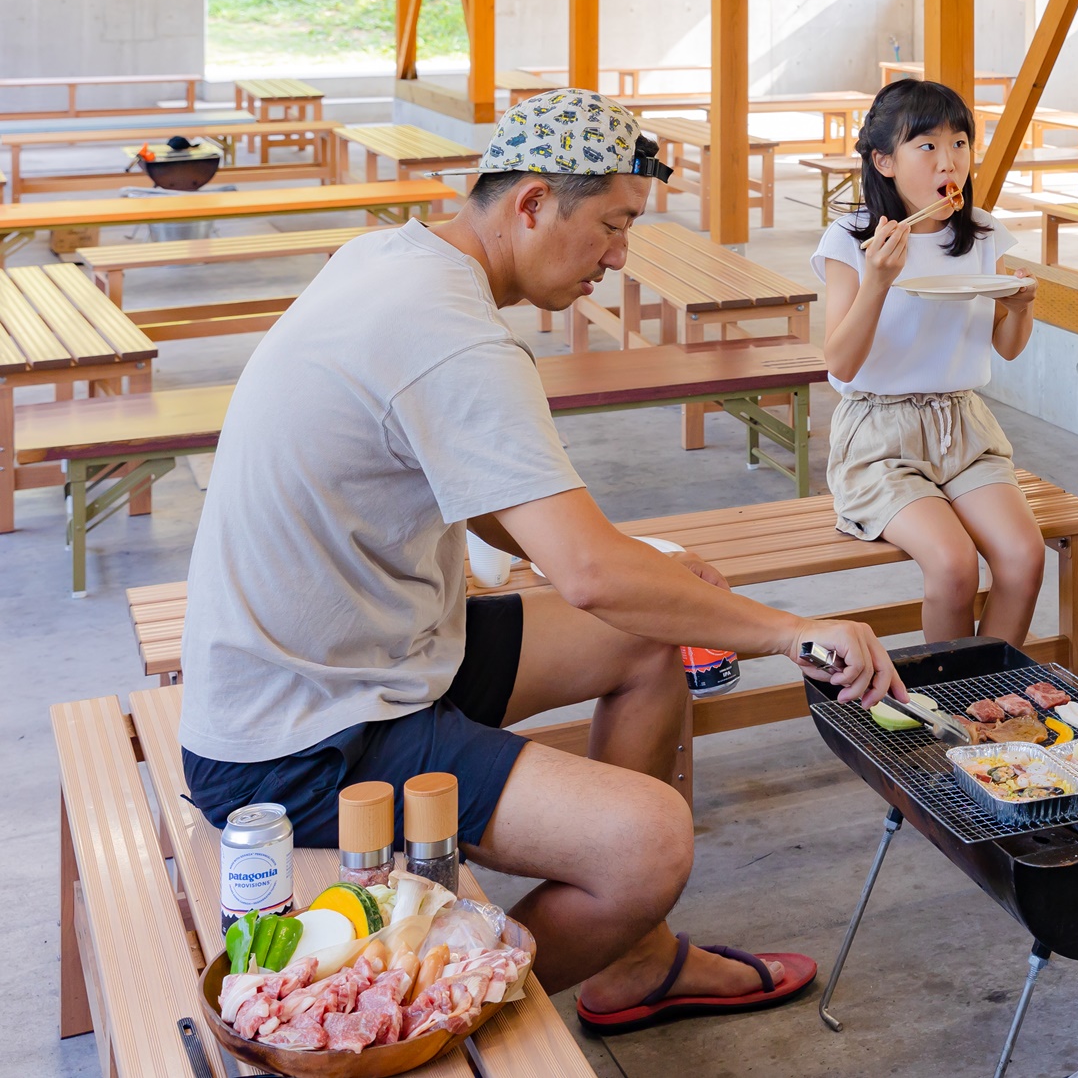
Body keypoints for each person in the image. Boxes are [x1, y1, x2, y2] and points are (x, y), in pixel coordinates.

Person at [178, 89, 906, 1035]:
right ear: (530, 204)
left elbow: (515, 516)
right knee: (649, 845)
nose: (619, 256)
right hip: (299, 740)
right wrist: (792, 630)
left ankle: (636, 956)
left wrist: (655, 572)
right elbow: (590, 575)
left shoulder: (394, 258)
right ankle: (425, 1020)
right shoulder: (455, 338)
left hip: (355, 656)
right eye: (611, 224)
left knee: (647, 643)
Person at [812, 79, 1045, 646]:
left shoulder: (984, 233)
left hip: (964, 427)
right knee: (954, 565)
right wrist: (879, 282)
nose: (951, 161)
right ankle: (946, 706)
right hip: (879, 437)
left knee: (1024, 556)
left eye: (960, 143)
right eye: (928, 147)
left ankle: (986, 701)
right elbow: (840, 364)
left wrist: (1021, 305)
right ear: (884, 161)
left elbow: (1008, 346)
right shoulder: (852, 238)